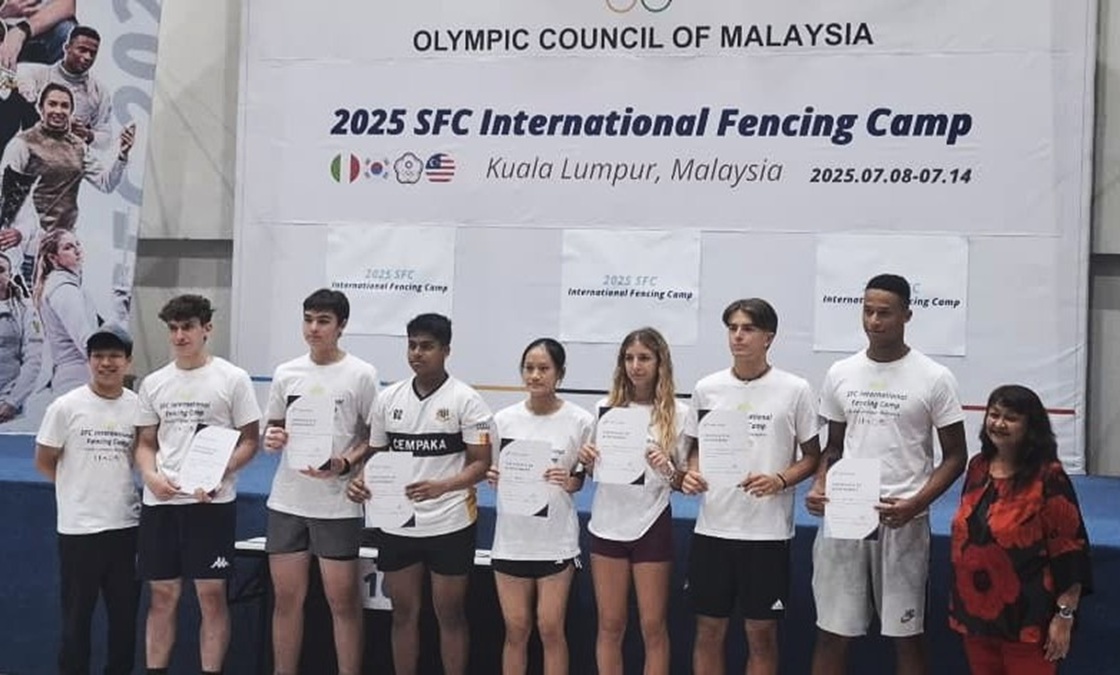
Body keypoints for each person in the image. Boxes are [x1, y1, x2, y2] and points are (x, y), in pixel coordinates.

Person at [806, 273, 968, 675]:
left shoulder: (934, 377)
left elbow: (955, 457)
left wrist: (917, 503)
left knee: (905, 635)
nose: (874, 321)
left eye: (885, 313)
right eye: (868, 311)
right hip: (846, 517)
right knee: (832, 633)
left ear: (907, 315)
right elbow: (833, 447)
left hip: (904, 517)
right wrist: (820, 483)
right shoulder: (841, 372)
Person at [679, 299, 821, 675]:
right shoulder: (707, 388)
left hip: (767, 534)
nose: (738, 336)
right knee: (708, 631)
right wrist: (691, 472)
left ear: (768, 338)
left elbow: (812, 456)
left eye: (748, 329)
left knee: (761, 634)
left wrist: (779, 480)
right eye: (733, 328)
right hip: (713, 529)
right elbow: (693, 446)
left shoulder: (795, 389)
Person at [346, 313, 492, 675]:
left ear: (446, 350)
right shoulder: (388, 398)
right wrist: (362, 480)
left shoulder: (467, 401)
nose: (417, 353)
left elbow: (480, 463)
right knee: (403, 613)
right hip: (397, 523)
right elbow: (378, 456)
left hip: (450, 521)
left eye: (426, 346)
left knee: (451, 614)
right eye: (412, 345)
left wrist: (443, 486)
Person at [134, 294, 261, 675]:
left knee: (211, 596)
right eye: (172, 328)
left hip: (211, 504)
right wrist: (151, 476)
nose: (179, 335)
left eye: (187, 327)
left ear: (207, 329)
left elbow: (250, 440)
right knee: (162, 596)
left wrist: (221, 473)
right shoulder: (154, 383)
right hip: (162, 504)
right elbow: (144, 443)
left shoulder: (232, 379)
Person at [260, 289, 379, 675]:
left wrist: (346, 462)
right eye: (308, 319)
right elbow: (273, 429)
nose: (314, 328)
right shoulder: (286, 372)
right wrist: (273, 438)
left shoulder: (361, 374)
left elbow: (375, 439)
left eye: (323, 321)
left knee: (342, 601)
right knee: (286, 600)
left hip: (336, 503)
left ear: (341, 326)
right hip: (287, 502)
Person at [949, 384, 1092, 674]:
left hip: (1028, 622)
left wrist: (1064, 617)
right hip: (976, 618)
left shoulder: (1048, 477)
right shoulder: (978, 467)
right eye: (994, 414)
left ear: (1031, 426)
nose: (999, 424)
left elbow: (1070, 550)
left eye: (1010, 418)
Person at [576, 326, 688, 675]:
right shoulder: (605, 409)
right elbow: (595, 471)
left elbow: (685, 482)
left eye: (644, 358)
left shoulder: (679, 414)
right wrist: (589, 461)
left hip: (651, 523)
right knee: (610, 624)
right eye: (629, 358)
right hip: (608, 523)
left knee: (653, 626)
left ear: (660, 363)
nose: (636, 366)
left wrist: (667, 468)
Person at [33, 324, 140, 675]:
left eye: (114, 356)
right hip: (80, 531)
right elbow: (45, 460)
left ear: (128, 362)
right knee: (77, 621)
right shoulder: (65, 407)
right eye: (98, 356)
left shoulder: (138, 408)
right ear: (89, 361)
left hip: (126, 527)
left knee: (124, 621)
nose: (106, 363)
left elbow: (143, 456)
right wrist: (76, 489)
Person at [488, 337, 593, 675]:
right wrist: (493, 476)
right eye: (529, 368)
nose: (535, 375)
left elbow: (579, 482)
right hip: (512, 541)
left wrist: (568, 479)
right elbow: (494, 471)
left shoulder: (580, 421)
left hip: (554, 541)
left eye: (543, 368)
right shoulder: (503, 420)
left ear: (559, 374)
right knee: (516, 631)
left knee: (550, 629)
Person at [0, 81, 133, 233]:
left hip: (63, 239)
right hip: (25, 237)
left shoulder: (78, 146)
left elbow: (105, 184)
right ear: (41, 108)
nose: (58, 110)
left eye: (64, 106)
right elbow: (3, 193)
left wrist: (122, 155)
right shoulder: (22, 144)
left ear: (71, 112)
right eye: (52, 104)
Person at [19, 25, 111, 151]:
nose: (88, 57)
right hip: (31, 150)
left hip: (68, 158)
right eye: (82, 50)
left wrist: (88, 135)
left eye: (92, 53)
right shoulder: (36, 74)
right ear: (67, 48)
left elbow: (106, 138)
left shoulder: (99, 92)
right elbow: (9, 79)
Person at [31, 226, 95, 394]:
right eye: (68, 247)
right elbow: (85, 338)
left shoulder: (61, 285)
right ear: (53, 258)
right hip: (77, 377)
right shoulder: (63, 288)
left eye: (77, 244)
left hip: (72, 375)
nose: (77, 250)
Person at [0, 251, 41, 422]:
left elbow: (34, 359)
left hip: (7, 407)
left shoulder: (26, 310)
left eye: (1, 270)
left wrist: (12, 403)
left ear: (10, 275)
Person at [0, 0, 77, 68]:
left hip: (38, 27)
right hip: (3, 27)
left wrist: (22, 30)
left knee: (67, 33)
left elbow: (67, 5)